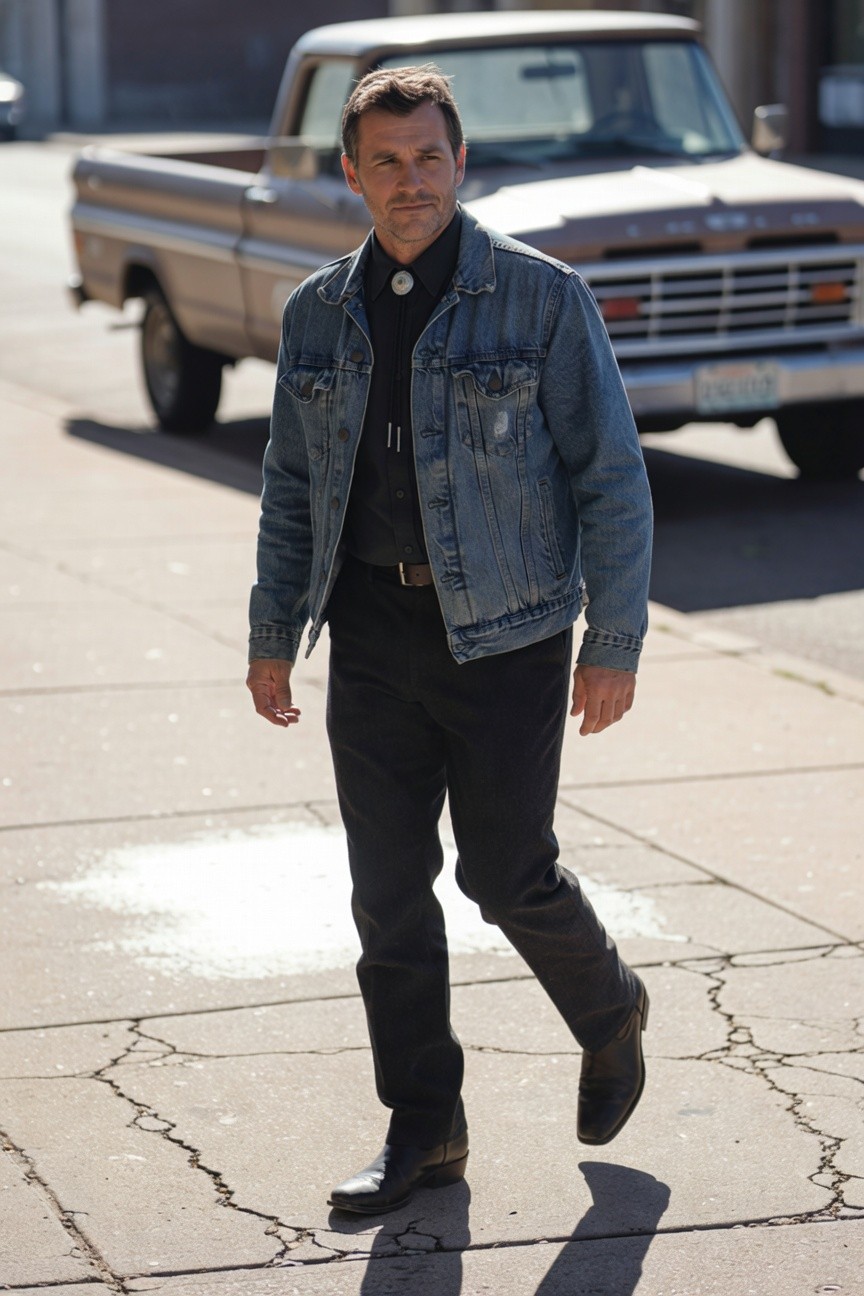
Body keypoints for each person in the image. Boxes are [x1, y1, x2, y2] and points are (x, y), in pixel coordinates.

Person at [247, 65, 653, 1216]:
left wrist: (612, 641)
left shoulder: (539, 298)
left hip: (509, 635)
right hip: (370, 627)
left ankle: (609, 1005)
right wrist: (274, 633)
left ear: (460, 163)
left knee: (504, 870)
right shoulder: (317, 311)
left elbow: (612, 479)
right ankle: (425, 1126)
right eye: (386, 160)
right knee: (387, 894)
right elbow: (289, 486)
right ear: (352, 173)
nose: (409, 181)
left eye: (428, 157)